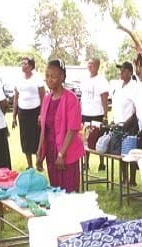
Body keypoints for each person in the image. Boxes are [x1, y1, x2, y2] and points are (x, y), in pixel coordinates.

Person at [35, 59, 84, 192]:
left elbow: (73, 129)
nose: (49, 79)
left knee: (69, 191)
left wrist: (61, 155)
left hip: (67, 151)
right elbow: (44, 129)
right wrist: (40, 152)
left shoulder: (71, 98)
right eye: (47, 76)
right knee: (55, 191)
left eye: (53, 76)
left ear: (62, 77)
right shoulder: (46, 99)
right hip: (51, 151)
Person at [11, 56, 45, 169]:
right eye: (22, 64)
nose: (23, 65)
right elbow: (16, 97)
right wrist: (14, 116)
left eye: (25, 64)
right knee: (25, 137)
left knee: (36, 136)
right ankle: (29, 164)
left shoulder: (37, 78)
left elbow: (42, 96)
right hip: (23, 112)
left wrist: (41, 113)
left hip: (35, 111)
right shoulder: (18, 79)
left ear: (31, 66)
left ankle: (38, 162)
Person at [81, 57, 109, 171]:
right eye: (89, 63)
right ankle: (85, 162)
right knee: (86, 138)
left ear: (97, 66)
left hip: (97, 113)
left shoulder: (101, 80)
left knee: (98, 138)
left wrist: (105, 115)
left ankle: (102, 163)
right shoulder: (85, 79)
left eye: (92, 64)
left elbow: (104, 98)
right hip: (86, 113)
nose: (90, 66)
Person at [112, 61, 137, 185]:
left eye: (124, 71)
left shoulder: (134, 87)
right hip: (118, 124)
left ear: (130, 73)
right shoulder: (119, 86)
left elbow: (137, 109)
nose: (121, 73)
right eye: (120, 70)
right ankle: (124, 178)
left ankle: (132, 179)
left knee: (130, 152)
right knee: (120, 153)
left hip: (129, 125)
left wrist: (128, 122)